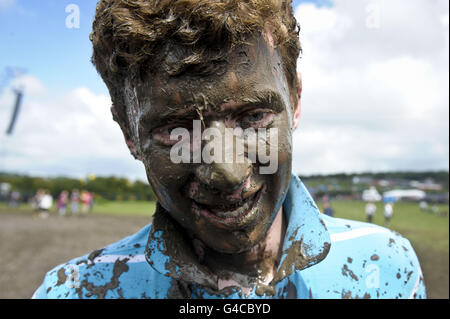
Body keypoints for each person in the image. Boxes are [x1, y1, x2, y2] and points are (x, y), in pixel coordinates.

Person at [33, 0, 425, 299]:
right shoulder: (74, 291)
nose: (226, 172)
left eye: (253, 117)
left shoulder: (387, 267)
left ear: (296, 100)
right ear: (128, 134)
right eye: (175, 129)